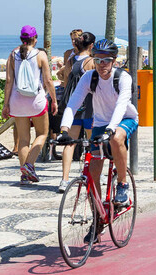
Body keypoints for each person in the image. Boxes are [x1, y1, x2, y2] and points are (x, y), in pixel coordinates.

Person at [58, 38, 138, 207]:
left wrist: (110, 130)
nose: (102, 64)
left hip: (125, 118)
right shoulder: (89, 77)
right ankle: (98, 218)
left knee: (116, 139)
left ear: (114, 61)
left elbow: (121, 106)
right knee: (93, 173)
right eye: (98, 60)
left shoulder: (123, 77)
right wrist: (64, 130)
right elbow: (73, 104)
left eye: (106, 60)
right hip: (101, 123)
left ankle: (123, 185)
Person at [4, 25, 57, 185]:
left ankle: (25, 175)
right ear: (35, 39)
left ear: (21, 39)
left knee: (23, 139)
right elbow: (48, 80)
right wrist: (54, 100)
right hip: (36, 101)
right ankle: (29, 165)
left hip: (17, 101)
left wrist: (6, 104)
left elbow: (8, 81)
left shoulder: (13, 55)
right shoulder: (40, 54)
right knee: (42, 134)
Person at [56, 31, 95, 193]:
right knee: (93, 143)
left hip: (73, 107)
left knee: (69, 143)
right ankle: (92, 176)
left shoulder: (71, 61)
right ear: (91, 45)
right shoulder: (92, 62)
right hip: (90, 107)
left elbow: (64, 81)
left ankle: (64, 180)